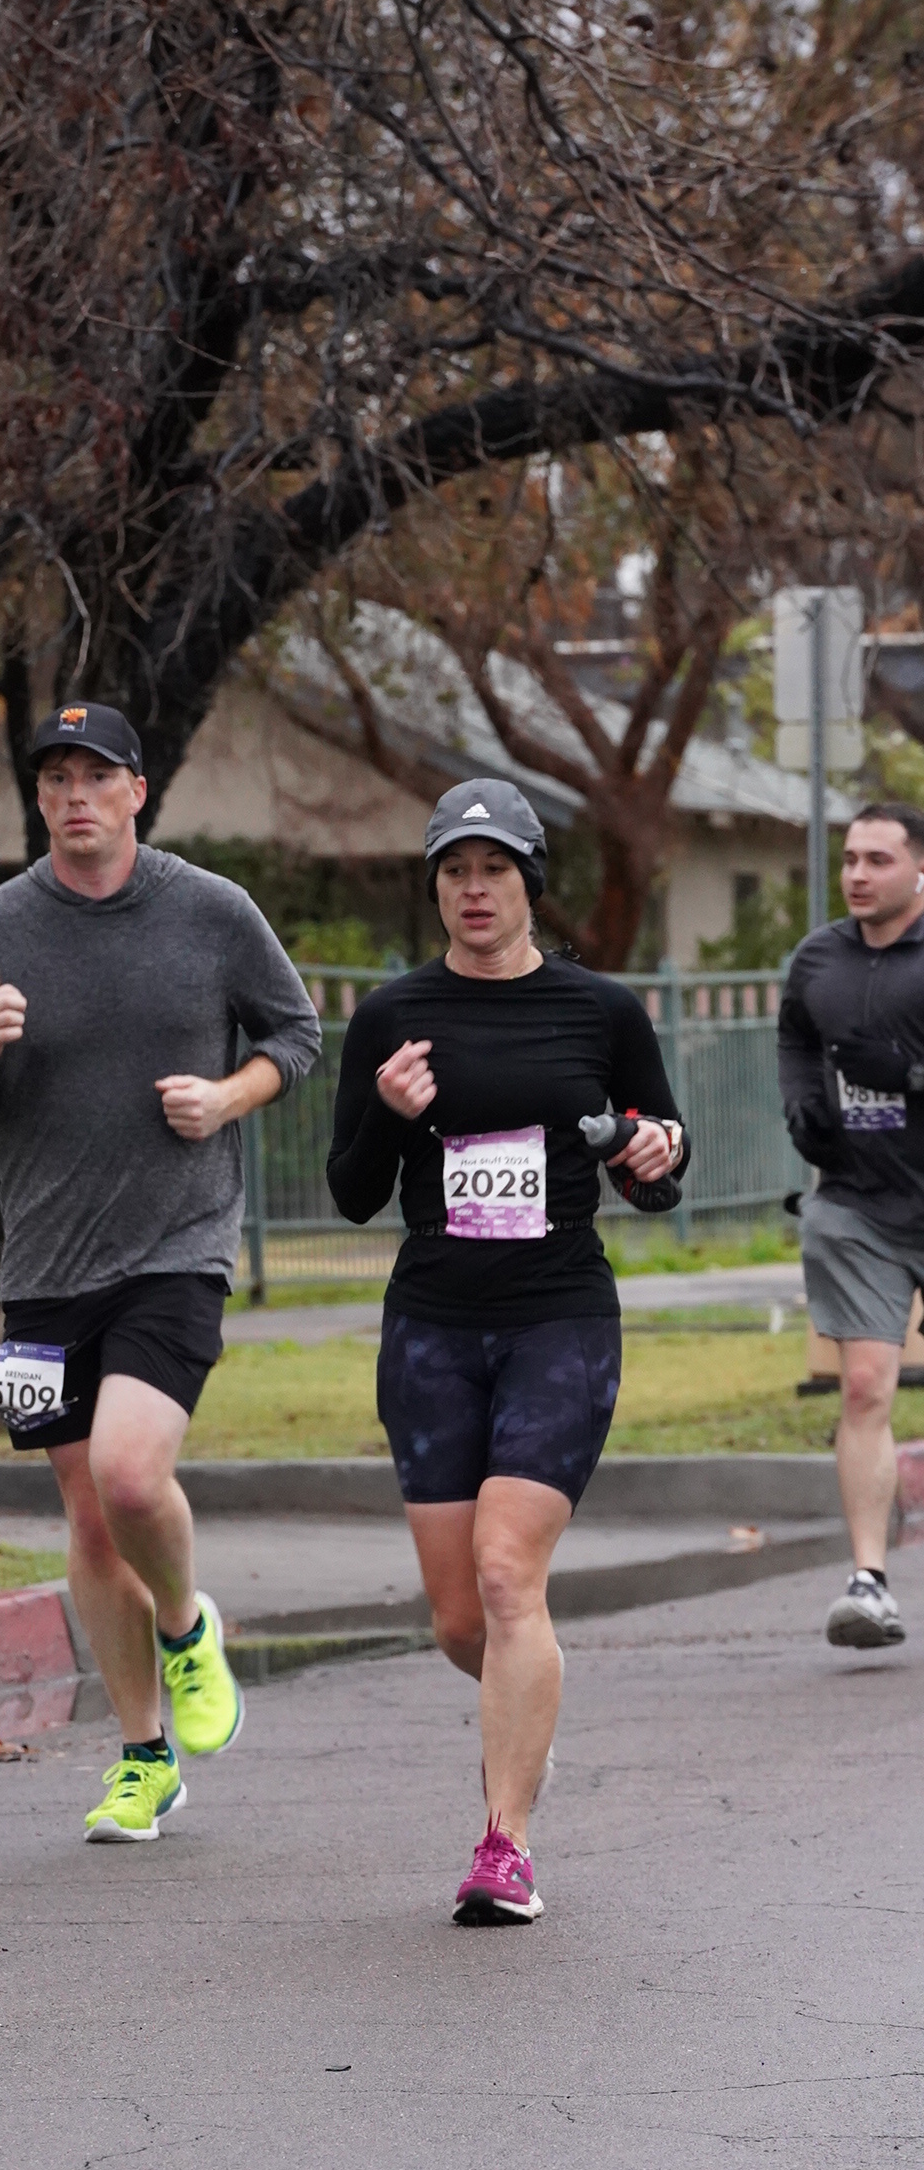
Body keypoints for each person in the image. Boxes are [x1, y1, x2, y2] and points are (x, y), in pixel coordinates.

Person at [0, 699, 321, 1841]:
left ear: (137, 791)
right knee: (91, 1524)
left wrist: (226, 1097)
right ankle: (144, 1758)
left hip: (175, 1248)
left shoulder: (210, 911)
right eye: (55, 779)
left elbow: (294, 1036)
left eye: (96, 776)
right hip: (47, 1265)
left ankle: (187, 1627)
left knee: (130, 1477)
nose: (74, 797)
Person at [327, 779, 686, 1924]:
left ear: (529, 882)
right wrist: (387, 1111)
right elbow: (348, 1193)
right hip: (430, 1327)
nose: (472, 890)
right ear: (433, 885)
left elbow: (659, 1164)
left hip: (557, 1318)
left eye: (492, 870)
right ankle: (523, 1717)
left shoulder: (599, 1010)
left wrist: (651, 1153)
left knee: (502, 1570)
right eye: (452, 871)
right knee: (457, 1619)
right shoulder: (390, 1016)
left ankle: (504, 1843)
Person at [776, 801, 924, 1648]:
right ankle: (869, 1583)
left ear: (918, 868)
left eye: (878, 860)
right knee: (866, 1384)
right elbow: (797, 1039)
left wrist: (908, 1074)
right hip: (859, 1205)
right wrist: (803, 1106)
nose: (857, 875)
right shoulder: (818, 958)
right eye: (849, 859)